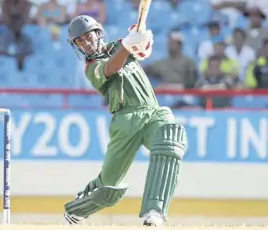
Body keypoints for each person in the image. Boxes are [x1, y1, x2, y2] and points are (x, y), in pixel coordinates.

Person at [64, 15, 187, 226]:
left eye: (88, 36)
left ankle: (155, 212)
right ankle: (76, 210)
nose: (85, 42)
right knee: (109, 188)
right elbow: (111, 68)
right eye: (80, 41)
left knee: (169, 141)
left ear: (98, 33)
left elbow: (143, 50)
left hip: (153, 112)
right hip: (125, 121)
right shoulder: (91, 67)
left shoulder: (120, 46)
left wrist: (139, 37)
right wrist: (127, 45)